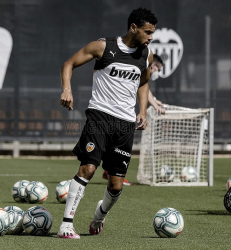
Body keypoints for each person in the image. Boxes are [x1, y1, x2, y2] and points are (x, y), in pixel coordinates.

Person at [58, 7, 158, 239]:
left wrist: (142, 110)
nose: (150, 37)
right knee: (88, 169)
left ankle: (99, 216)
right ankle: (66, 225)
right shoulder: (104, 47)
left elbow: (143, 83)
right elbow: (68, 64)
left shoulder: (147, 55)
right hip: (99, 117)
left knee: (116, 186)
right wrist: (67, 90)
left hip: (125, 124)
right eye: (147, 32)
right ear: (133, 28)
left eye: (153, 32)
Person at [101, 54, 164, 185]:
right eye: (159, 68)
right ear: (153, 65)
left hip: (120, 110)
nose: (158, 72)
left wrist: (153, 102)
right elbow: (142, 87)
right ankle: (115, 174)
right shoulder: (139, 66)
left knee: (115, 142)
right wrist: (153, 104)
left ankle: (109, 171)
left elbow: (144, 87)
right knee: (121, 144)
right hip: (117, 110)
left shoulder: (141, 71)